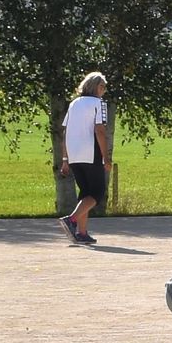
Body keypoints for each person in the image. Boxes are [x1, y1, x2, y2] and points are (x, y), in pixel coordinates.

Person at [60, 72, 111, 247]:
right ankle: (72, 220)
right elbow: (100, 130)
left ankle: (82, 233)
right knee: (97, 193)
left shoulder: (74, 104)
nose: (104, 90)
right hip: (91, 153)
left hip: (74, 154)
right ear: (95, 86)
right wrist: (106, 157)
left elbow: (66, 131)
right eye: (102, 86)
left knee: (85, 193)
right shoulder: (99, 104)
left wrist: (65, 158)